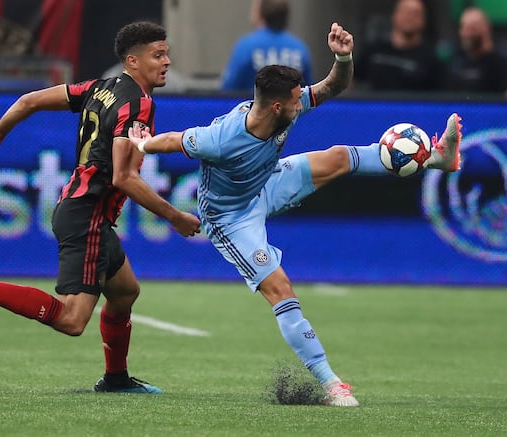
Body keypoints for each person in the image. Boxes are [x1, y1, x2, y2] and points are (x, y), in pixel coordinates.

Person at [127, 22, 462, 407]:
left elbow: (334, 86)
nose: (300, 103)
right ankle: (332, 384)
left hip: (265, 182)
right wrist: (144, 143)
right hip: (230, 218)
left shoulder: (286, 103)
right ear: (275, 106)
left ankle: (437, 158)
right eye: (294, 101)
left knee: (339, 157)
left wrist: (343, 56)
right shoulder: (221, 140)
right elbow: (174, 140)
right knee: (281, 291)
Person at [0, 21, 201, 394]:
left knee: (125, 292)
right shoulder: (138, 104)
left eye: (166, 53)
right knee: (71, 319)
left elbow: (29, 100)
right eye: (157, 54)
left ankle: (115, 379)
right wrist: (175, 216)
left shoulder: (100, 88)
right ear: (132, 61)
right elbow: (124, 178)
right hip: (89, 215)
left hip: (82, 208)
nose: (166, 61)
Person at [220, 0, 312, 93]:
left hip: (252, 106)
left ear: (260, 13)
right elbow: (307, 92)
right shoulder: (299, 48)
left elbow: (228, 89)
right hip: (290, 107)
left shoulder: (246, 47)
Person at [354, 0, 440, 91]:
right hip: (373, 104)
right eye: (406, 12)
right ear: (395, 15)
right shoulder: (373, 50)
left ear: (424, 20)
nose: (410, 17)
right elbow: (352, 81)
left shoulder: (431, 59)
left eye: (415, 14)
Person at [444, 6, 507, 96]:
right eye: (464, 27)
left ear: (486, 28)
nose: (467, 33)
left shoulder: (501, 63)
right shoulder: (456, 62)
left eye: (472, 28)